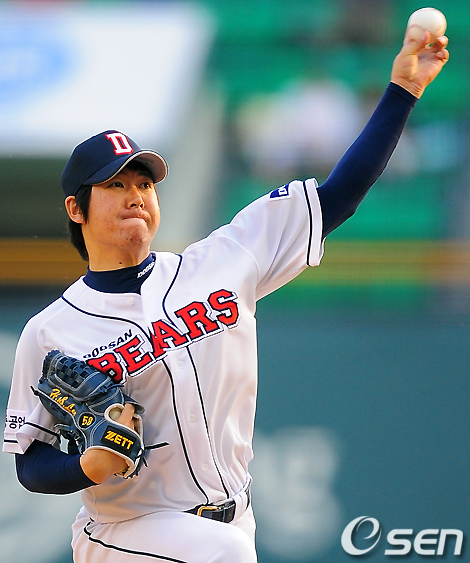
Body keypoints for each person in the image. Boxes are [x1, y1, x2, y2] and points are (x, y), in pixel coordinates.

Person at [3, 29, 448, 563]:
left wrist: (402, 91)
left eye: (144, 184)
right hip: (125, 532)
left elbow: (339, 196)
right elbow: (29, 462)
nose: (135, 197)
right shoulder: (51, 330)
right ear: (76, 209)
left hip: (235, 518)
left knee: (226, 549)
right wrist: (85, 467)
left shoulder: (222, 263)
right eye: (115, 185)